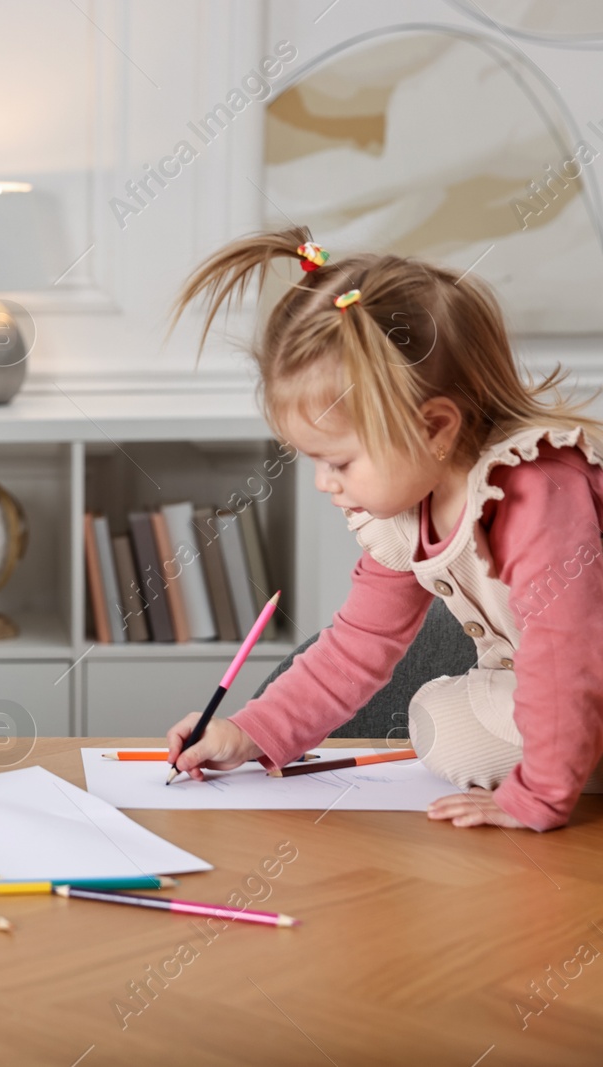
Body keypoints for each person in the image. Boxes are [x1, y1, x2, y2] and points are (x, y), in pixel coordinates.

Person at [163, 227, 603, 831]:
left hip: (581, 668)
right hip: (550, 684)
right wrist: (248, 733)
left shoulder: (536, 493)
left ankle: (569, 757)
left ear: (434, 428)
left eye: (338, 462)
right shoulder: (408, 506)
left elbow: (565, 655)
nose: (324, 483)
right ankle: (573, 752)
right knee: (442, 727)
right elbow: (356, 645)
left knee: (468, 727)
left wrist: (537, 797)